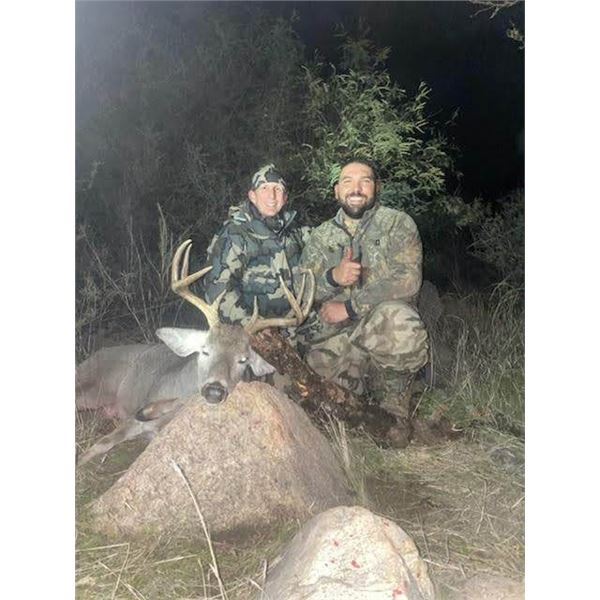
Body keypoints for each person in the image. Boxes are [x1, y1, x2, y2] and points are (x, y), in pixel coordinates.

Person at [299, 159, 429, 444]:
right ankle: (360, 394)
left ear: (376, 187)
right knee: (318, 406)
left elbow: (408, 280)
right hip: (335, 339)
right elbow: (302, 291)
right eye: (348, 181)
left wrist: (350, 307)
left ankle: (394, 405)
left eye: (365, 181)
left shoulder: (397, 223)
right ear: (336, 190)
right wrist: (333, 277)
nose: (356, 189)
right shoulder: (320, 236)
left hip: (381, 331)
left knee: (399, 320)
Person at [203, 164, 308, 327]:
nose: (272, 196)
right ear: (252, 196)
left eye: (278, 189)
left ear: (285, 198)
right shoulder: (234, 234)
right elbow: (217, 290)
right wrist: (251, 325)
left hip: (296, 326)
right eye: (264, 188)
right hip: (249, 331)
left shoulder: (296, 231)